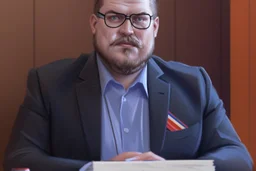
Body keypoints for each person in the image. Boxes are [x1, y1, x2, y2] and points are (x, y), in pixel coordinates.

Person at [3, 0, 253, 171]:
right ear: (94, 24)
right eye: (114, 17)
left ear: (154, 27)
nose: (127, 30)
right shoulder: (48, 83)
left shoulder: (194, 84)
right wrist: (97, 170)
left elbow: (238, 158)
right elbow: (19, 159)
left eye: (140, 19)